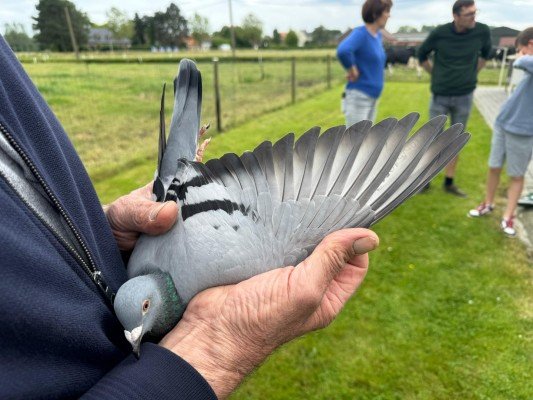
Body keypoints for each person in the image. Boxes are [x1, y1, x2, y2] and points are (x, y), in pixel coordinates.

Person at [0, 34, 379, 399]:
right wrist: (216, 346)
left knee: (278, 241)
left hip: (174, 195)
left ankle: (188, 155)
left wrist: (101, 229)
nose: (136, 333)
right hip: (177, 192)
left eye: (142, 312)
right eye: (139, 319)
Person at [417, 0, 492, 197]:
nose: (474, 18)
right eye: (469, 14)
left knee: (456, 140)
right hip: (440, 95)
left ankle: (449, 182)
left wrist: (471, 74)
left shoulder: (482, 31)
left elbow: (486, 54)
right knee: (433, 139)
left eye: (476, 13)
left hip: (464, 96)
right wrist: (435, 74)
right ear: (456, 16)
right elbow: (421, 54)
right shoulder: (440, 33)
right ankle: (424, 181)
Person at [468, 27, 533, 237]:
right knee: (494, 166)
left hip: (523, 132)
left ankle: (508, 216)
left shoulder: (527, 60)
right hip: (503, 123)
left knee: (516, 175)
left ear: (530, 44)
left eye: (521, 48)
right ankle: (488, 203)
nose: (520, 53)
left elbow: (521, 62)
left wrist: (523, 55)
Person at [337, 0, 392, 127]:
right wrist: (352, 70)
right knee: (355, 144)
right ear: (375, 14)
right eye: (386, 11)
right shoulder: (361, 34)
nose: (389, 15)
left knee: (367, 143)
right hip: (359, 97)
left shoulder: (377, 36)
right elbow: (343, 50)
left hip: (372, 98)